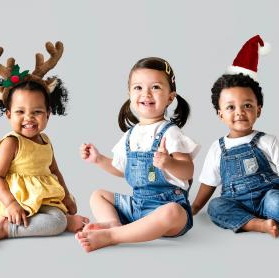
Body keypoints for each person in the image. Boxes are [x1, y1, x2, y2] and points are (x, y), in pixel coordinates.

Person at [192, 35, 279, 245]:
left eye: (247, 105)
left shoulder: (266, 140)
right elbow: (209, 182)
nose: (239, 112)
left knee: (277, 202)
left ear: (259, 110)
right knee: (216, 206)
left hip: (267, 196)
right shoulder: (217, 148)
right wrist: (194, 208)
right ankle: (259, 224)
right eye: (230, 107)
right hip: (235, 201)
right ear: (220, 114)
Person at [76, 57, 199, 252]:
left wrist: (168, 163)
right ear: (129, 94)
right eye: (138, 87)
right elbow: (121, 169)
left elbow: (188, 170)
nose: (146, 93)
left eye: (156, 87)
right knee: (97, 195)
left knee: (172, 212)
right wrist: (98, 159)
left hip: (166, 206)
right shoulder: (130, 135)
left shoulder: (170, 132)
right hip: (137, 206)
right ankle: (113, 224)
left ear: (170, 97)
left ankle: (113, 235)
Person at [0, 42, 89, 241]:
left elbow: (54, 171)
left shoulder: (45, 140)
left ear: (48, 114)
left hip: (39, 197)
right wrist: (11, 203)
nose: (29, 118)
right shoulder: (12, 142)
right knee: (57, 222)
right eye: (20, 112)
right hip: (16, 202)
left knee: (59, 215)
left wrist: (66, 195)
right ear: (8, 114)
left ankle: (63, 219)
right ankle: (6, 228)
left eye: (37, 112)